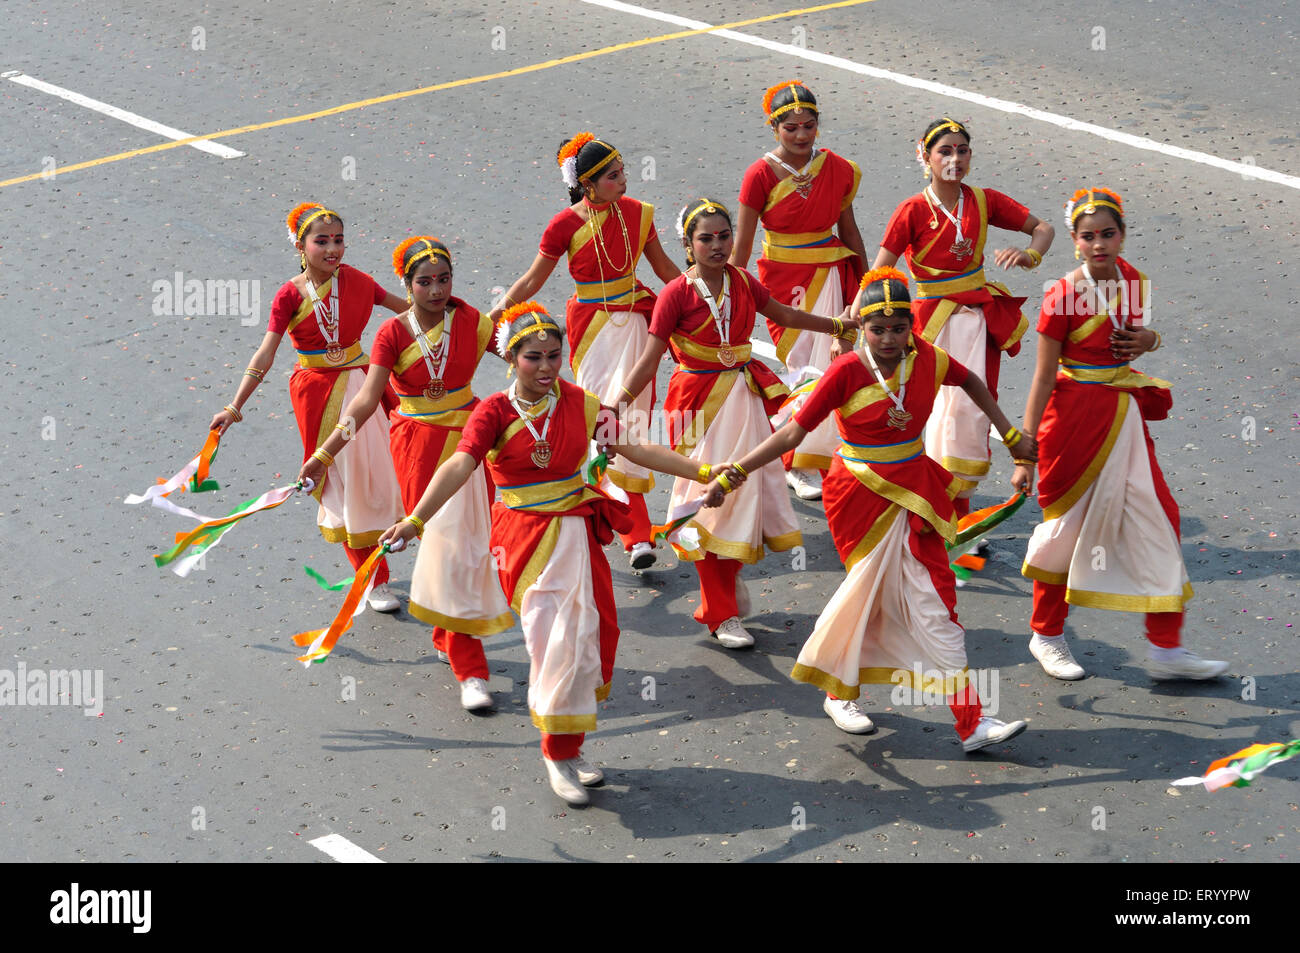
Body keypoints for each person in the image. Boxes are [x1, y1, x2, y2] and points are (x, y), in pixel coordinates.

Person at [381, 303, 732, 806]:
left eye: (553, 356)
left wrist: (703, 472)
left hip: (579, 534)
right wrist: (416, 518)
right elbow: (460, 465)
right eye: (532, 358)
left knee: (594, 636)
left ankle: (571, 742)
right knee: (557, 643)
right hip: (524, 540)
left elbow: (635, 448)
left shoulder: (581, 403)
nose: (545, 367)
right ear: (511, 358)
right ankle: (557, 753)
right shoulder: (494, 412)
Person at [702, 267, 1031, 752]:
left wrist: (1009, 433)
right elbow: (793, 434)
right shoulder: (846, 370)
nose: (890, 338)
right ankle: (844, 694)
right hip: (860, 493)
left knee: (935, 600)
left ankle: (969, 721)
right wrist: (734, 472)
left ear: (912, 325)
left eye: (899, 327)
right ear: (861, 327)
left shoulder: (929, 360)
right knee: (872, 591)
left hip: (916, 485)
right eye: (878, 329)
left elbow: (972, 382)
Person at [620, 198, 859, 650]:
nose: (716, 245)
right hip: (694, 406)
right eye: (705, 238)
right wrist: (617, 406)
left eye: (723, 236)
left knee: (742, 495)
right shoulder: (676, 293)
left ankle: (725, 593)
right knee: (704, 500)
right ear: (687, 246)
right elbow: (651, 359)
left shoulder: (742, 280)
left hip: (745, 400)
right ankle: (719, 611)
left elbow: (784, 316)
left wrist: (835, 326)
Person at [1016, 188, 1228, 682]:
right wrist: (1024, 450)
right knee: (1066, 531)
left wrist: (1151, 340)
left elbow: (1135, 341)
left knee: (1161, 518)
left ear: (1123, 234)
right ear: (1073, 241)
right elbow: (1043, 377)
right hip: (1072, 424)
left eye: (1108, 234)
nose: (1099, 245)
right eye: (1088, 237)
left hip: (1123, 418)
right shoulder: (1061, 295)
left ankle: (1167, 649)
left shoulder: (1133, 280)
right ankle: (1045, 634)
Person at [298, 237, 512, 710]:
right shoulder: (392, 333)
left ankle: (448, 632)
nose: (436, 290)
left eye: (444, 280)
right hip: (416, 445)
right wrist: (326, 453)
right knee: (446, 543)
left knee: (470, 545)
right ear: (407, 284)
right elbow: (365, 400)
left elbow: (524, 354)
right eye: (424, 282)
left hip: (472, 439)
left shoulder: (473, 321)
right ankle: (471, 670)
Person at [489, 134, 682, 571]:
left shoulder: (638, 214)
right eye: (614, 177)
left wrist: (703, 291)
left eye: (623, 173)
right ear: (589, 184)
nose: (624, 182)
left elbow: (665, 270)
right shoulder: (564, 225)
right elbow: (532, 281)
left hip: (636, 318)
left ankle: (636, 536)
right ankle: (616, 519)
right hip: (592, 328)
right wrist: (498, 314)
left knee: (629, 419)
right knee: (604, 422)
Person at [211, 203, 406, 611]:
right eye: (322, 241)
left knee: (387, 472)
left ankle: (393, 545)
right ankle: (373, 579)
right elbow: (267, 351)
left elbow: (407, 309)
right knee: (348, 483)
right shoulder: (289, 295)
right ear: (301, 245)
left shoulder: (357, 280)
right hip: (319, 396)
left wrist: (458, 317)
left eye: (338, 240)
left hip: (365, 386)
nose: (333, 249)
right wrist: (234, 406)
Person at [872, 117, 1053, 520]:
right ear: (926, 156)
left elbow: (1043, 228)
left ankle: (956, 511)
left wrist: (1031, 255)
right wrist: (856, 325)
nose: (955, 159)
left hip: (974, 326)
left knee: (968, 413)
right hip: (929, 327)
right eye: (945, 151)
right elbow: (881, 272)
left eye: (962, 150)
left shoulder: (983, 201)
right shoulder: (913, 210)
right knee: (926, 410)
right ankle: (922, 507)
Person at [731, 80, 867, 501]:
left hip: (831, 274)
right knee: (803, 370)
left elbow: (849, 229)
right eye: (791, 127)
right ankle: (795, 461)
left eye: (808, 125)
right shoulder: (759, 175)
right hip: (783, 283)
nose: (801, 134)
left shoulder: (838, 169)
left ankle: (821, 455)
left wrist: (868, 282)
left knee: (834, 367)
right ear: (775, 129)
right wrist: (728, 298)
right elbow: (743, 246)